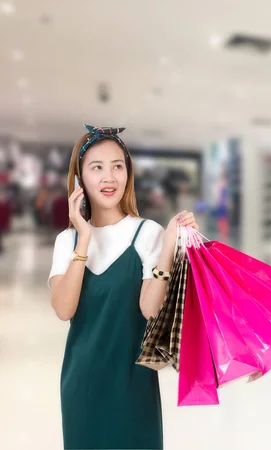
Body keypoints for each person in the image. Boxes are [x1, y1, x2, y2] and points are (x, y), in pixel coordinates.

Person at [48, 124, 198, 450]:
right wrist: (84, 239)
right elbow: (63, 309)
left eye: (118, 166)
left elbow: (150, 308)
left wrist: (168, 246)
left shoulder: (147, 233)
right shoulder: (67, 241)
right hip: (82, 386)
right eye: (97, 168)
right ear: (78, 179)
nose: (109, 177)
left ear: (128, 174)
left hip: (133, 387)